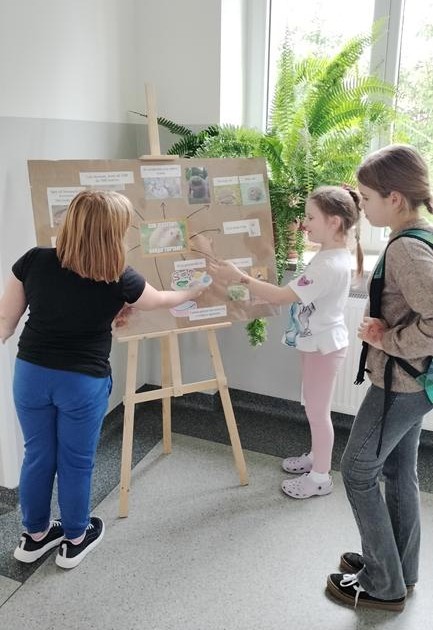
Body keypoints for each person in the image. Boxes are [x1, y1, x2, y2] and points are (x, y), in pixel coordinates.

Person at [0, 190, 205, 569]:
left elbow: (4, 321)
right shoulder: (120, 278)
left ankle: (34, 536)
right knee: (76, 462)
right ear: (114, 233)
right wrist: (193, 290)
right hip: (82, 382)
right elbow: (161, 300)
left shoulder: (34, 260)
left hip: (31, 374)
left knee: (38, 455)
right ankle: (75, 538)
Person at [326, 144, 433, 612]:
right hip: (416, 383)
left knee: (357, 471)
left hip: (401, 384)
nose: (362, 207)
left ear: (395, 198)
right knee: (398, 470)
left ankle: (383, 582)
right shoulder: (419, 235)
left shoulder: (406, 248)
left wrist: (387, 339)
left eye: (367, 198)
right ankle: (398, 569)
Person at [210, 185, 363, 499]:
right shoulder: (330, 254)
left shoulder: (329, 264)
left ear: (334, 222)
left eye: (311, 217)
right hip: (317, 342)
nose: (304, 224)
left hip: (324, 346)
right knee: (314, 409)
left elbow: (281, 296)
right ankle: (316, 457)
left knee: (318, 413)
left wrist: (239, 276)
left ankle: (320, 477)